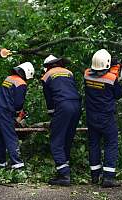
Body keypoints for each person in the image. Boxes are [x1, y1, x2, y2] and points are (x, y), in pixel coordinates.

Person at [84, 49, 122, 187]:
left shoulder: (86, 74)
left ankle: (94, 176)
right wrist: (117, 75)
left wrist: (112, 71)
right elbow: (118, 94)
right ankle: (108, 178)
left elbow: (99, 77)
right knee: (110, 144)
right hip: (106, 117)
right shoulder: (111, 79)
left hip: (91, 116)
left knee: (94, 144)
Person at [41, 55, 81, 186]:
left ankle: (64, 174)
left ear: (47, 66)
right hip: (76, 105)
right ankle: (65, 168)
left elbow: (49, 100)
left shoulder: (47, 76)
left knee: (56, 140)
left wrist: (53, 115)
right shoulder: (69, 73)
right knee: (67, 138)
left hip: (63, 106)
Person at [0, 62, 35, 169]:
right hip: (6, 111)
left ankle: (1, 163)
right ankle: (17, 164)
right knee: (11, 137)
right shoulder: (21, 83)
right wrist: (18, 115)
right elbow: (18, 103)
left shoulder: (8, 78)